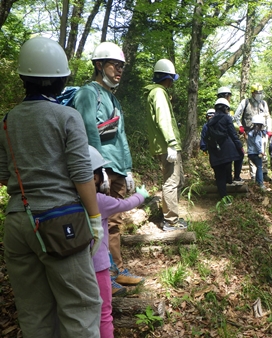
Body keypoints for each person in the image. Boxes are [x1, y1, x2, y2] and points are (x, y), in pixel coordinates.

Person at [0, 36, 102, 337]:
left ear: (24, 78)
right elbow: (82, 173)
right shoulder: (66, 116)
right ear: (60, 81)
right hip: (61, 224)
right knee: (80, 306)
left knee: (34, 311)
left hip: (17, 221)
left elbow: (3, 174)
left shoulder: (7, 121)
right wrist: (94, 219)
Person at [72, 41, 143, 295]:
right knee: (97, 222)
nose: (119, 70)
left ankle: (116, 270)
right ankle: (100, 275)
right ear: (99, 65)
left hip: (117, 169)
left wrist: (128, 168)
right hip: (99, 170)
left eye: (122, 66)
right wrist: (96, 167)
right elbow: (87, 130)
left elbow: (121, 136)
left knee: (114, 222)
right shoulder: (87, 93)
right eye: (115, 65)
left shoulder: (113, 98)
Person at [88, 146, 149, 338]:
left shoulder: (67, 201)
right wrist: (141, 196)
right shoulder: (99, 200)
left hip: (75, 266)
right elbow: (125, 204)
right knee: (104, 313)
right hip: (98, 266)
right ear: (96, 177)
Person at [144, 59, 187, 231]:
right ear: (167, 78)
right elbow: (164, 120)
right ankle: (170, 221)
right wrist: (171, 143)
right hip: (167, 145)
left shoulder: (156, 92)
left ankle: (171, 216)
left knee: (179, 180)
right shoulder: (159, 93)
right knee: (171, 181)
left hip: (166, 144)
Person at [234, 83, 272, 182]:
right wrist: (240, 126)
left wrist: (269, 130)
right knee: (253, 152)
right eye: (257, 92)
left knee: (263, 152)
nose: (259, 94)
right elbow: (236, 116)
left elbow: (268, 117)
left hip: (262, 132)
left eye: (260, 92)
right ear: (252, 93)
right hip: (249, 132)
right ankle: (254, 175)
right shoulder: (245, 102)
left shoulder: (263, 103)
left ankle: (264, 173)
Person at [207, 98, 244, 200]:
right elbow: (233, 134)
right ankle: (235, 178)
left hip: (215, 151)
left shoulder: (210, 121)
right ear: (225, 108)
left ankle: (223, 198)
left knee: (219, 176)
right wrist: (240, 147)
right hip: (227, 150)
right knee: (236, 160)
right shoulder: (227, 118)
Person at [217, 86, 244, 184]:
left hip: (218, 140)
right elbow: (231, 129)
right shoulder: (224, 110)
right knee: (239, 154)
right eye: (229, 96)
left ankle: (229, 178)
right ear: (226, 95)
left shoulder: (217, 108)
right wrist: (239, 144)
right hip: (227, 139)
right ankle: (235, 177)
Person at [246, 114, 267, 190]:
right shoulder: (258, 133)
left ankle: (257, 182)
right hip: (256, 153)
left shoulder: (250, 132)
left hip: (250, 154)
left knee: (258, 167)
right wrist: (260, 151)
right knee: (259, 167)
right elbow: (257, 142)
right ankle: (261, 185)